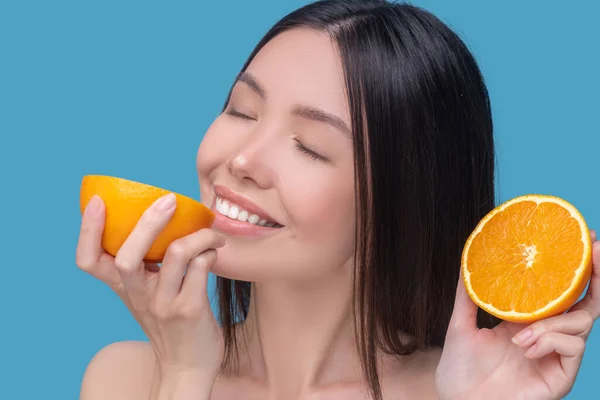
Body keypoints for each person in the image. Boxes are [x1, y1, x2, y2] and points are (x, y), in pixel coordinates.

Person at [76, 1, 600, 399]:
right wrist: (185, 374)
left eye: (309, 146)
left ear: (403, 200)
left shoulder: (464, 390)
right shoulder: (127, 378)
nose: (241, 161)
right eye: (241, 110)